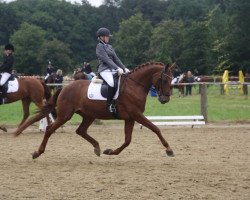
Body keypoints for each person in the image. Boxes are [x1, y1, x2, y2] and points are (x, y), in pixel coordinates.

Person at [96, 27, 129, 113]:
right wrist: (117, 68)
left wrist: (123, 68)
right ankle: (110, 104)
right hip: (104, 70)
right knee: (111, 83)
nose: (108, 38)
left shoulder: (109, 46)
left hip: (113, 69)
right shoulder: (99, 47)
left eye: (108, 36)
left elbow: (116, 59)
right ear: (101, 37)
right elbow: (107, 59)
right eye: (107, 36)